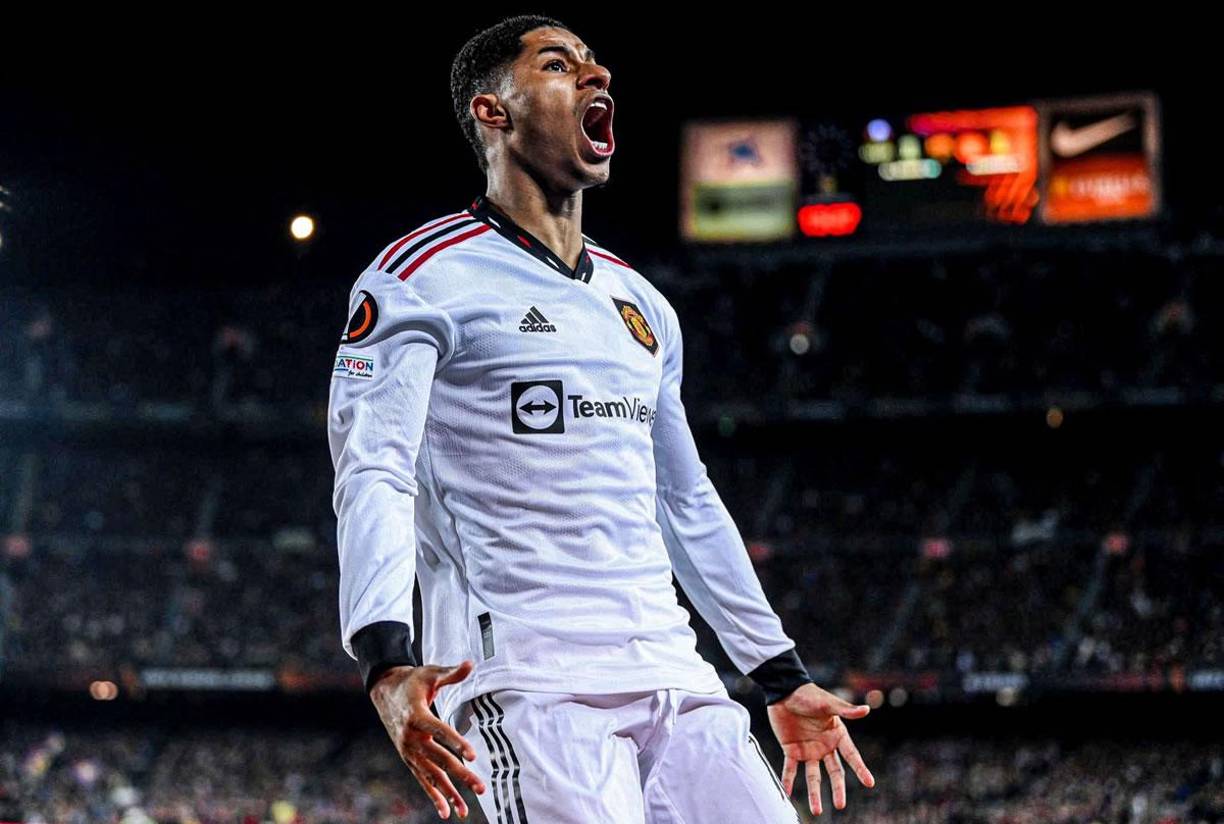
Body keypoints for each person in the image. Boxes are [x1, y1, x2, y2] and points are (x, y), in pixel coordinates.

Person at [327, 14, 875, 822]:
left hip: (677, 675)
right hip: (530, 683)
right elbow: (373, 468)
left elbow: (685, 499)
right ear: (493, 111)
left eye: (593, 61)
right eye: (558, 64)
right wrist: (384, 657)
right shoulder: (420, 277)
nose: (597, 73)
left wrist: (779, 675)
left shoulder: (639, 301)